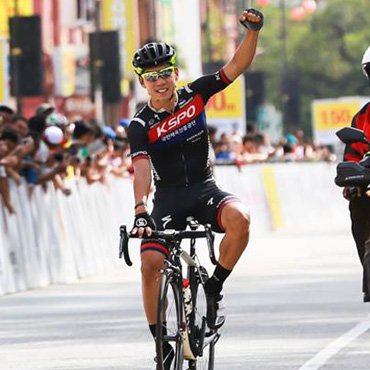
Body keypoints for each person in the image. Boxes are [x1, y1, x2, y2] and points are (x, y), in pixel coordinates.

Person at [127, 8, 263, 369]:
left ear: (175, 73)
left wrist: (252, 33)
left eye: (165, 74)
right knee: (149, 263)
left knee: (241, 219)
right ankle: (161, 341)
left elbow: (235, 66)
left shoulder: (195, 95)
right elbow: (140, 168)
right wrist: (140, 209)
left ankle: (215, 285)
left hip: (205, 191)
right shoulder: (140, 125)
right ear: (142, 82)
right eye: (151, 76)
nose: (160, 82)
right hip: (168, 198)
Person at [343, 45, 370, 303]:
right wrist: (351, 181)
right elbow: (352, 154)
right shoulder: (362, 116)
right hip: (369, 185)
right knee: (357, 204)